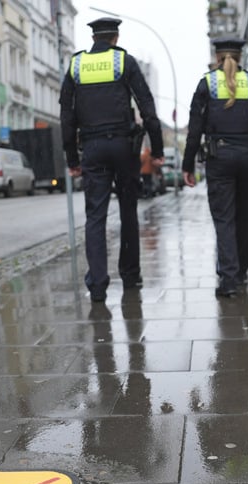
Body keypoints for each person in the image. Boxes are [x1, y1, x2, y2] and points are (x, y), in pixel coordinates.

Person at [60, 17, 164, 302]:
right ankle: (130, 275)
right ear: (115, 38)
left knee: (96, 216)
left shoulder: (76, 65)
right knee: (129, 210)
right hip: (123, 146)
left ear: (93, 39)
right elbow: (148, 108)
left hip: (92, 148)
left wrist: (72, 158)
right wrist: (157, 150)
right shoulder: (123, 62)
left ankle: (97, 285)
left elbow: (67, 119)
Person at [182, 37, 248, 298]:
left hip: (219, 157)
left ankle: (229, 279)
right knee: (245, 217)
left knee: (224, 219)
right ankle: (241, 272)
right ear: (240, 57)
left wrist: (187, 165)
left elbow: (194, 131)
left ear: (217, 57)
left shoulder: (207, 84)